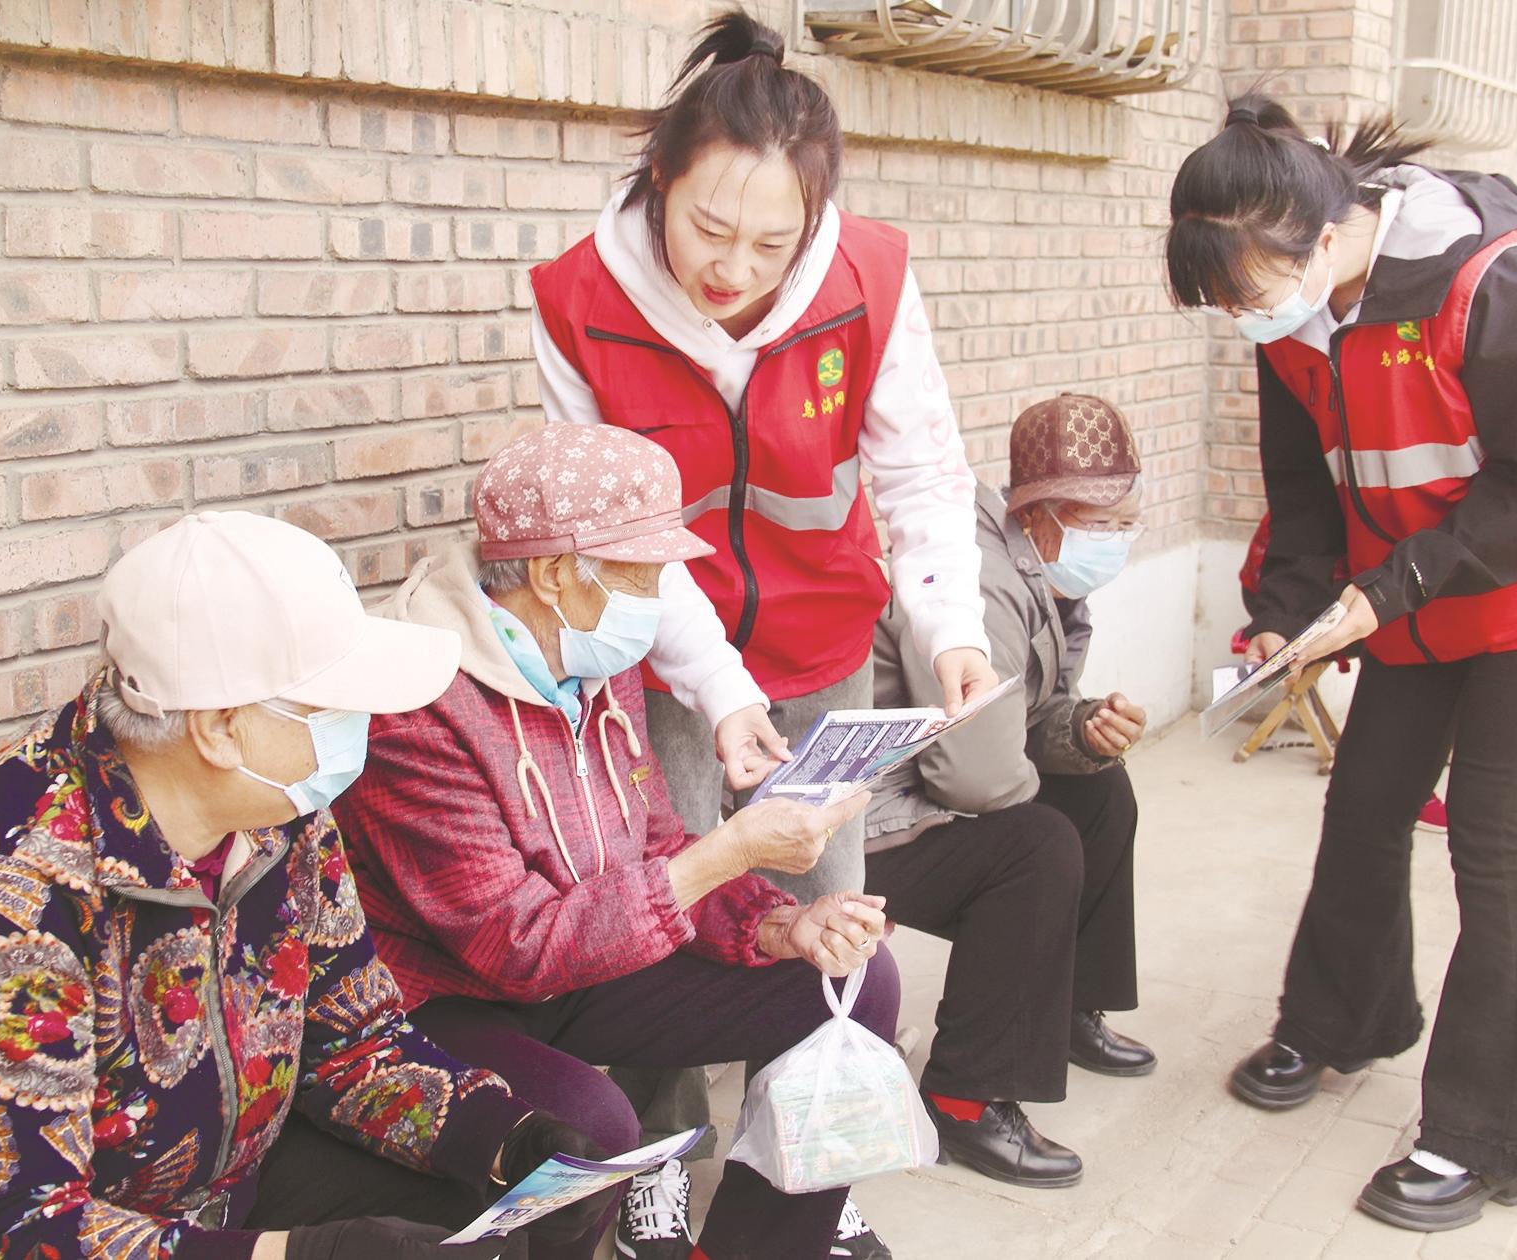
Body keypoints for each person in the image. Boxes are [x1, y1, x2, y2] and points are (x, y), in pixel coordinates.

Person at [0, 511, 613, 1260]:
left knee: (481, 1207)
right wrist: (293, 1255)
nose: (364, 727)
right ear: (222, 728)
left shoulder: (280, 815)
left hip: (207, 1192)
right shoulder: (2, 890)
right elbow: (14, 1230)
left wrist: (503, 1138)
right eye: (335, 706)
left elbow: (354, 1038)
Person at [527, 12, 993, 1252]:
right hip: (664, 663)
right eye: (709, 229)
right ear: (659, 180)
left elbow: (923, 472)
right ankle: (659, 1168)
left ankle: (808, 1183)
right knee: (668, 922)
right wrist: (721, 690)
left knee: (826, 924)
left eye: (772, 243)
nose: (734, 267)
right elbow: (627, 535)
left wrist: (950, 622)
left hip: (827, 652)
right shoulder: (579, 299)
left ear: (816, 219)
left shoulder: (870, 277)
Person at [1165, 96, 1517, 1232]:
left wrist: (1382, 594)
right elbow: (1302, 491)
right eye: (1225, 303)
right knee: (1365, 801)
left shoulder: (1492, 279)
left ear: (1322, 233)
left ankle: (1493, 1137)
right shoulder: (1292, 320)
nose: (1244, 316)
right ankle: (1340, 1023)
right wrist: (1283, 614)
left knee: (1494, 841)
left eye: (1246, 291)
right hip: (1419, 587)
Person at [333, 425, 903, 1260]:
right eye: (644, 573)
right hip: (451, 995)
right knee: (589, 1128)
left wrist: (781, 925)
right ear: (554, 573)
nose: (661, 595)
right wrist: (733, 851)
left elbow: (653, 838)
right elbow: (515, 946)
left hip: (583, 955)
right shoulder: (418, 703)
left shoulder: (591, 654)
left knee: (848, 974)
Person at [864, 394, 1153, 1190]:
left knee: (1098, 791)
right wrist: (1038, 779)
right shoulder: (984, 580)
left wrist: (1080, 731)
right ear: (1042, 513)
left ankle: (1067, 1006)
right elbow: (978, 775)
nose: (1118, 536)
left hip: (929, 782)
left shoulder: (1039, 568)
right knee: (1038, 848)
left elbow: (1026, 716)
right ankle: (965, 1096)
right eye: (1105, 521)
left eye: (1127, 519)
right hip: (867, 822)